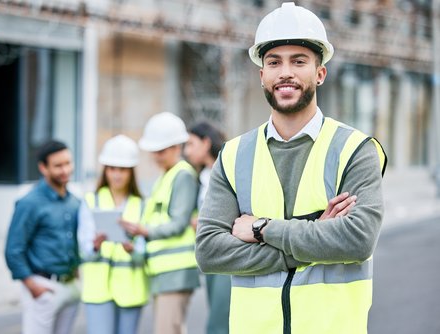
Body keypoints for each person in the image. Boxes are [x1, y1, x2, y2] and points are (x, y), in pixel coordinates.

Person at [195, 3, 387, 334]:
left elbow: (357, 239)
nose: (286, 72)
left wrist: (261, 228)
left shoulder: (356, 150)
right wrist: (312, 240)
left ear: (320, 73)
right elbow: (210, 250)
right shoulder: (233, 154)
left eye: (299, 61)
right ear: (262, 75)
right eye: (274, 62)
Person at [122, 112, 200, 334]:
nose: (156, 156)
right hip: (164, 272)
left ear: (177, 146)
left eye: (161, 150)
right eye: (153, 151)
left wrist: (144, 231)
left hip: (175, 271)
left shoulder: (182, 175)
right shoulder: (165, 177)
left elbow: (178, 223)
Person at [4, 140, 81, 334]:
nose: (65, 170)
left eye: (68, 163)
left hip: (71, 286)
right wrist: (33, 286)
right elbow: (13, 249)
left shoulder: (74, 201)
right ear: (43, 168)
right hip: (43, 287)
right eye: (58, 166)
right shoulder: (29, 203)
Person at [78, 134, 148, 334]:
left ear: (131, 172)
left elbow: (145, 252)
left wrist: (132, 250)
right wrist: (95, 245)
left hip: (130, 290)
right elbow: (83, 249)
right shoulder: (90, 201)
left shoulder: (141, 204)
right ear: (105, 170)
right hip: (98, 290)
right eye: (112, 168)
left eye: (123, 169)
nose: (117, 175)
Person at [184, 121, 230, 334]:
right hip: (209, 256)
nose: (187, 151)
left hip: (227, 255)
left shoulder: (229, 170)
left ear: (206, 143)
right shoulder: (199, 177)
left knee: (219, 322)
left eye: (191, 144)